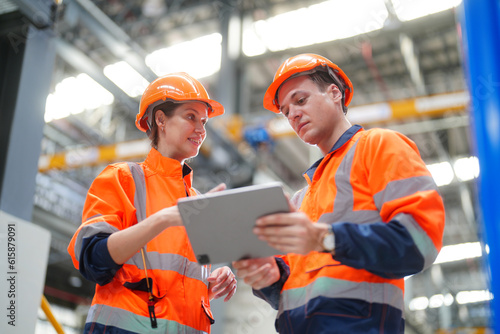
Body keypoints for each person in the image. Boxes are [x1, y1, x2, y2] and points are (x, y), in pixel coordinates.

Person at [233, 53, 445, 333]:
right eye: (285, 111)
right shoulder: (300, 200)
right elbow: (292, 292)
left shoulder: (379, 146)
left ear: (335, 93)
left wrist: (325, 237)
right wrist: (268, 279)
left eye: (300, 100)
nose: (293, 115)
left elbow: (421, 243)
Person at [68, 72, 237, 334]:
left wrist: (209, 285)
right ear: (161, 119)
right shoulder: (124, 178)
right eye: (191, 117)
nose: (202, 129)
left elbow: (173, 282)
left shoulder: (198, 202)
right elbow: (93, 260)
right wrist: (163, 219)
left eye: (203, 121)